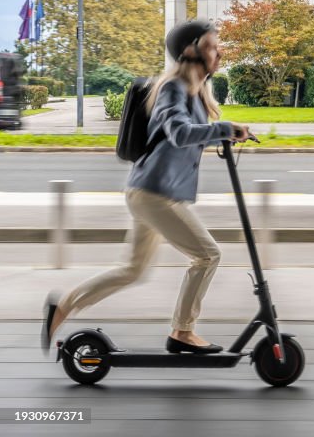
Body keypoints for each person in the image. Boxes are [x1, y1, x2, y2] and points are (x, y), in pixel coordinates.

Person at [41, 19, 253, 355]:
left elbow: (188, 135)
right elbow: (180, 133)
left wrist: (225, 131)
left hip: (153, 193)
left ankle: (63, 306)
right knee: (208, 255)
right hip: (154, 196)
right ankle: (183, 332)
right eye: (212, 45)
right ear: (190, 51)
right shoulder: (172, 88)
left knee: (131, 270)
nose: (220, 52)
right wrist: (225, 128)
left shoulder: (196, 94)